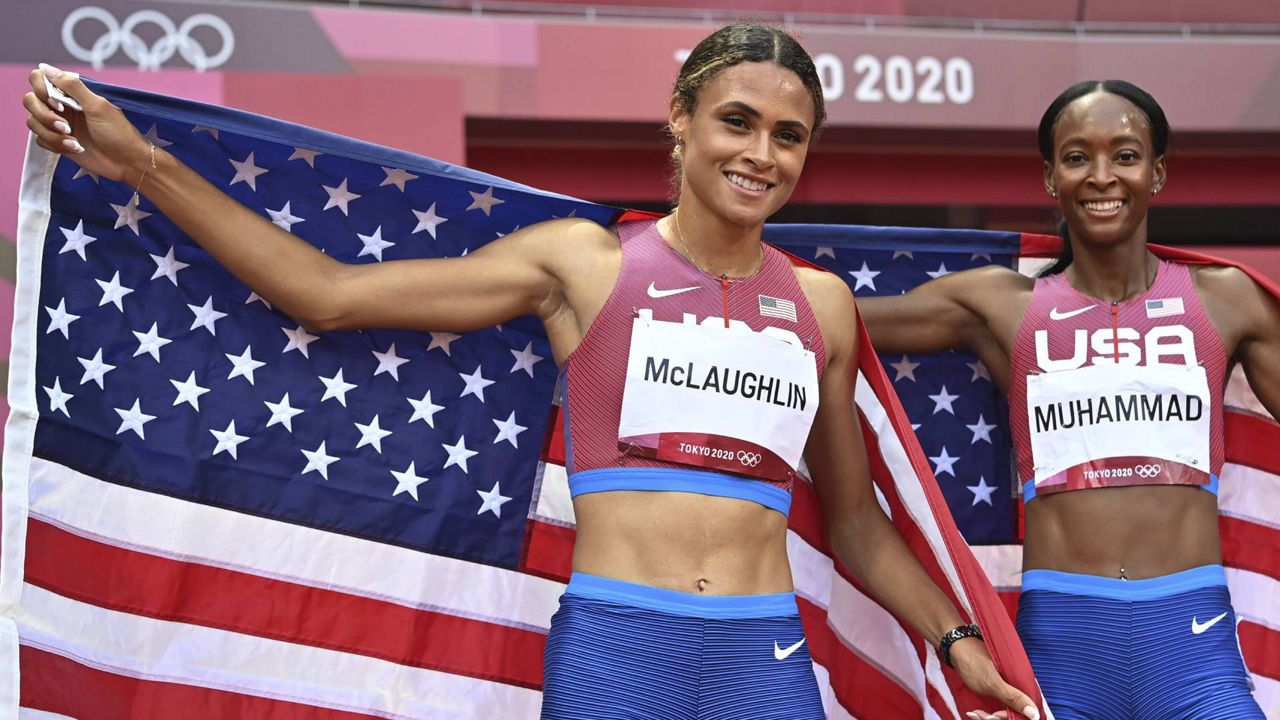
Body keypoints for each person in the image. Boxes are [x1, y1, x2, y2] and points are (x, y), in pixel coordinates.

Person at [22, 24, 1039, 720]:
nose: (760, 154)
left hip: (759, 661)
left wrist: (956, 645)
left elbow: (855, 523)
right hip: (615, 651)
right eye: (736, 121)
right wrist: (141, 164)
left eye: (788, 136)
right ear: (680, 119)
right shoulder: (582, 268)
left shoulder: (818, 304)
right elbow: (326, 293)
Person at [858, 79, 1279, 719]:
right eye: (1078, 157)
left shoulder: (1227, 301)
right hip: (1062, 654)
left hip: (1194, 651)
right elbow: (827, 322)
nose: (1102, 176)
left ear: (1158, 172)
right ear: (1051, 177)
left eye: (1126, 155)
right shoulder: (1001, 305)